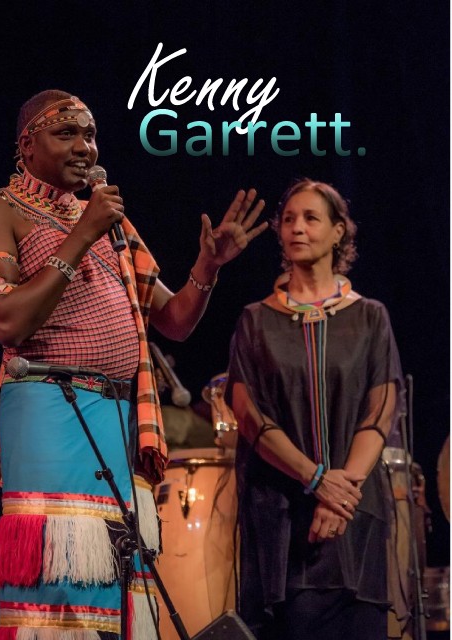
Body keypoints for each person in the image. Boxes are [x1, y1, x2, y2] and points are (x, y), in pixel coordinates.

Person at [0, 89, 267, 640]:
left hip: (120, 418)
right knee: (65, 576)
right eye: (67, 133)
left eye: (90, 135)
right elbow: (6, 322)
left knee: (121, 579)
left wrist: (207, 266)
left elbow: (173, 320)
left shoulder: (108, 221)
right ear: (27, 145)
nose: (85, 146)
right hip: (50, 409)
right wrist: (82, 235)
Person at [226, 179, 403, 640]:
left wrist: (341, 495)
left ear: (339, 231)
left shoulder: (370, 317)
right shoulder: (256, 320)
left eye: (310, 218)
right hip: (283, 516)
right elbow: (249, 414)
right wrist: (316, 479)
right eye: (288, 219)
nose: (297, 228)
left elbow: (380, 411)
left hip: (353, 513)